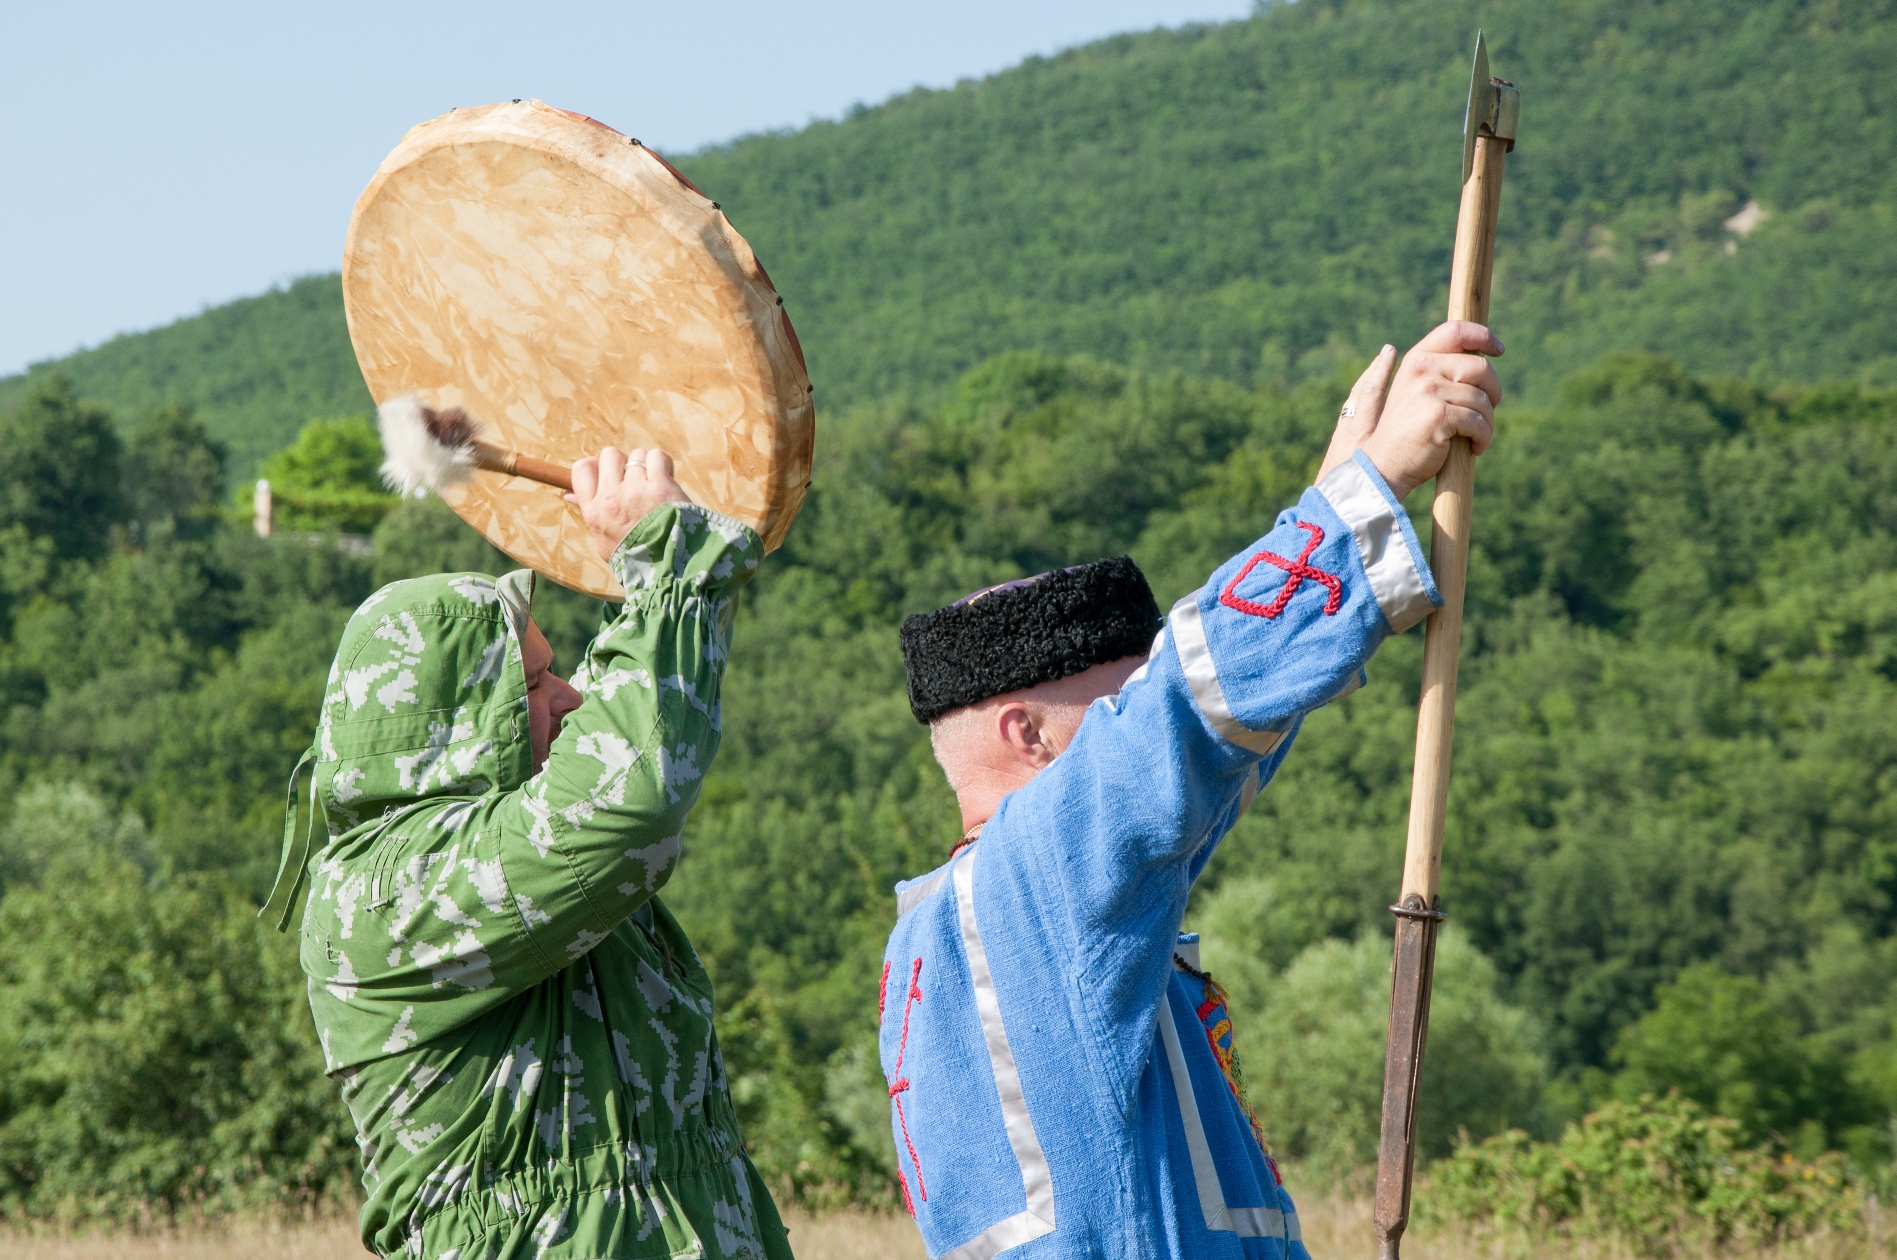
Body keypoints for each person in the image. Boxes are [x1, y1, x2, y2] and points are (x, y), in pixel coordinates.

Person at [877, 322, 1503, 1259]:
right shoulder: (1032, 878)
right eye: (1112, 706)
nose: (1131, 722)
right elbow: (1182, 718)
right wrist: (1369, 486)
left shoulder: (979, 918)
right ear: (1025, 734)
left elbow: (1206, 761)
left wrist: (1333, 497)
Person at [264, 448, 792, 1259]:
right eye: (535, 684)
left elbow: (638, 755)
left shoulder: (522, 848)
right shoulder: (379, 891)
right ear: (457, 722)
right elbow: (631, 798)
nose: (570, 696)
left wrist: (686, 564)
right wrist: (665, 556)